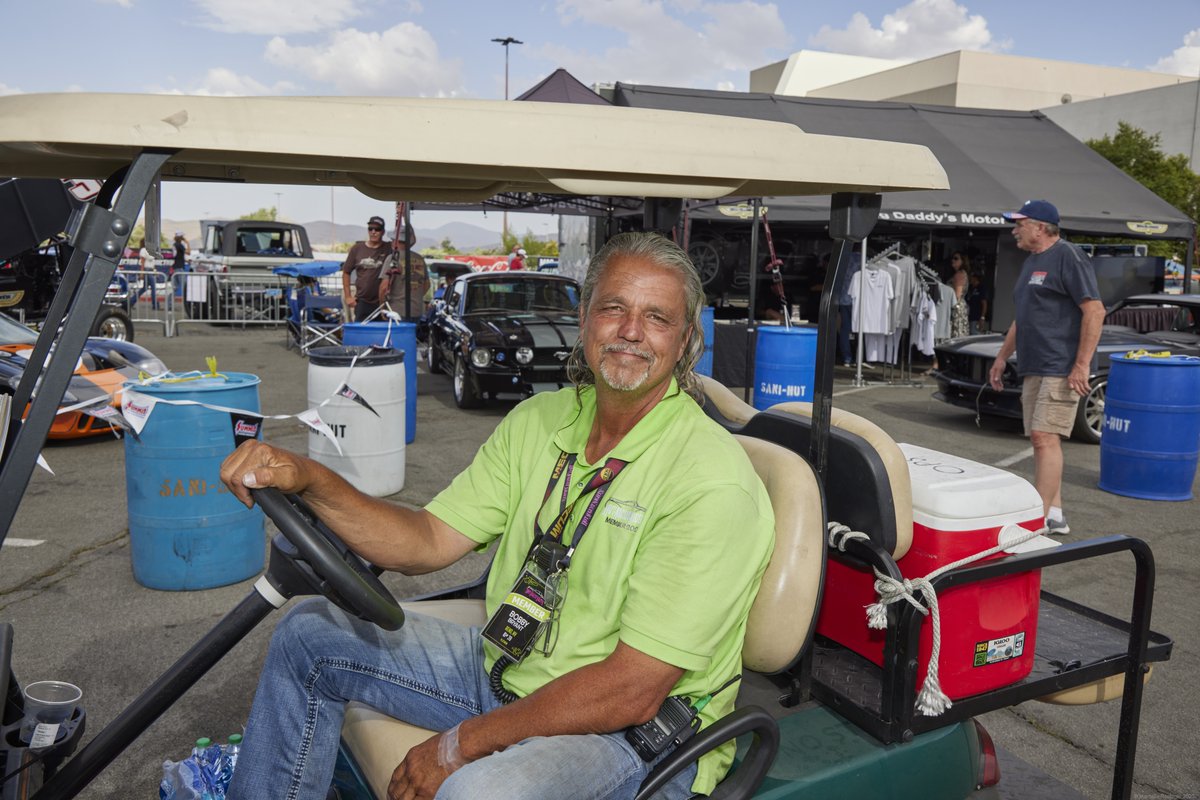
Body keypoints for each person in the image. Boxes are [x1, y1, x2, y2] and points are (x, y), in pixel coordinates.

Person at [219, 232, 775, 800]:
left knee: (475, 793)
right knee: (308, 632)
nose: (631, 330)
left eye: (657, 318)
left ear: (685, 341)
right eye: (614, 307)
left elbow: (631, 690)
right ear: (584, 318)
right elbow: (427, 540)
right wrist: (311, 480)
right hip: (512, 669)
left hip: (631, 734)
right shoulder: (540, 419)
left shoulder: (710, 480)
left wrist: (459, 744)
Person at [988, 200, 1104, 535]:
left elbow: (1095, 311)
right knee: (1042, 439)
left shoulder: (1068, 256)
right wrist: (1001, 357)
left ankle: (1036, 522)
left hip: (1060, 365)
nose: (1014, 231)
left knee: (1044, 437)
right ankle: (1055, 515)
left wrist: (1080, 365)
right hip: (1034, 364)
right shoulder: (1031, 262)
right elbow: (1021, 318)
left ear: (1040, 227)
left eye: (1019, 224)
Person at [342, 215, 393, 322]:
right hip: (362, 302)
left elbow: (405, 240)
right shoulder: (357, 248)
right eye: (370, 229)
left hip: (383, 302)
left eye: (377, 229)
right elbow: (346, 272)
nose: (373, 232)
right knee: (361, 330)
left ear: (383, 232)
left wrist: (402, 215)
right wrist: (348, 296)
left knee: (383, 331)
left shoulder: (389, 248)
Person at [379, 227, 430, 319]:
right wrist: (414, 297)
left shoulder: (393, 258)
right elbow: (427, 284)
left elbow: (384, 287)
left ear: (395, 241)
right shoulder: (419, 258)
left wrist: (382, 307)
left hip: (396, 311)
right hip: (417, 311)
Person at [949, 252, 970, 339]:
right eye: (952, 258)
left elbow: (957, 295)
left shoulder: (959, 274)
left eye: (956, 258)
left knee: (956, 334)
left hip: (956, 307)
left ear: (962, 261)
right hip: (960, 306)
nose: (953, 260)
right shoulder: (962, 273)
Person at [965, 269, 990, 335]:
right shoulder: (969, 288)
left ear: (975, 278)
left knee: (975, 334)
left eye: (971, 277)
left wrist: (982, 317)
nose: (970, 278)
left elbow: (984, 303)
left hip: (976, 318)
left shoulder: (981, 288)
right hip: (968, 317)